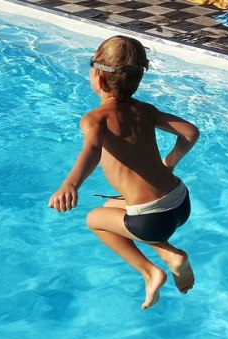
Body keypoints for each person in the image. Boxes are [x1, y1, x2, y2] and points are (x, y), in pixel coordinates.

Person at [48, 35, 199, 310]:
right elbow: (190, 132)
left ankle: (151, 271)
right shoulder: (145, 110)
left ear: (100, 79)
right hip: (181, 201)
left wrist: (71, 184)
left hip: (153, 220)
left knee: (95, 219)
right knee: (111, 206)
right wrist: (170, 161)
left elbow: (92, 151)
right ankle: (169, 255)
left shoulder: (96, 118)